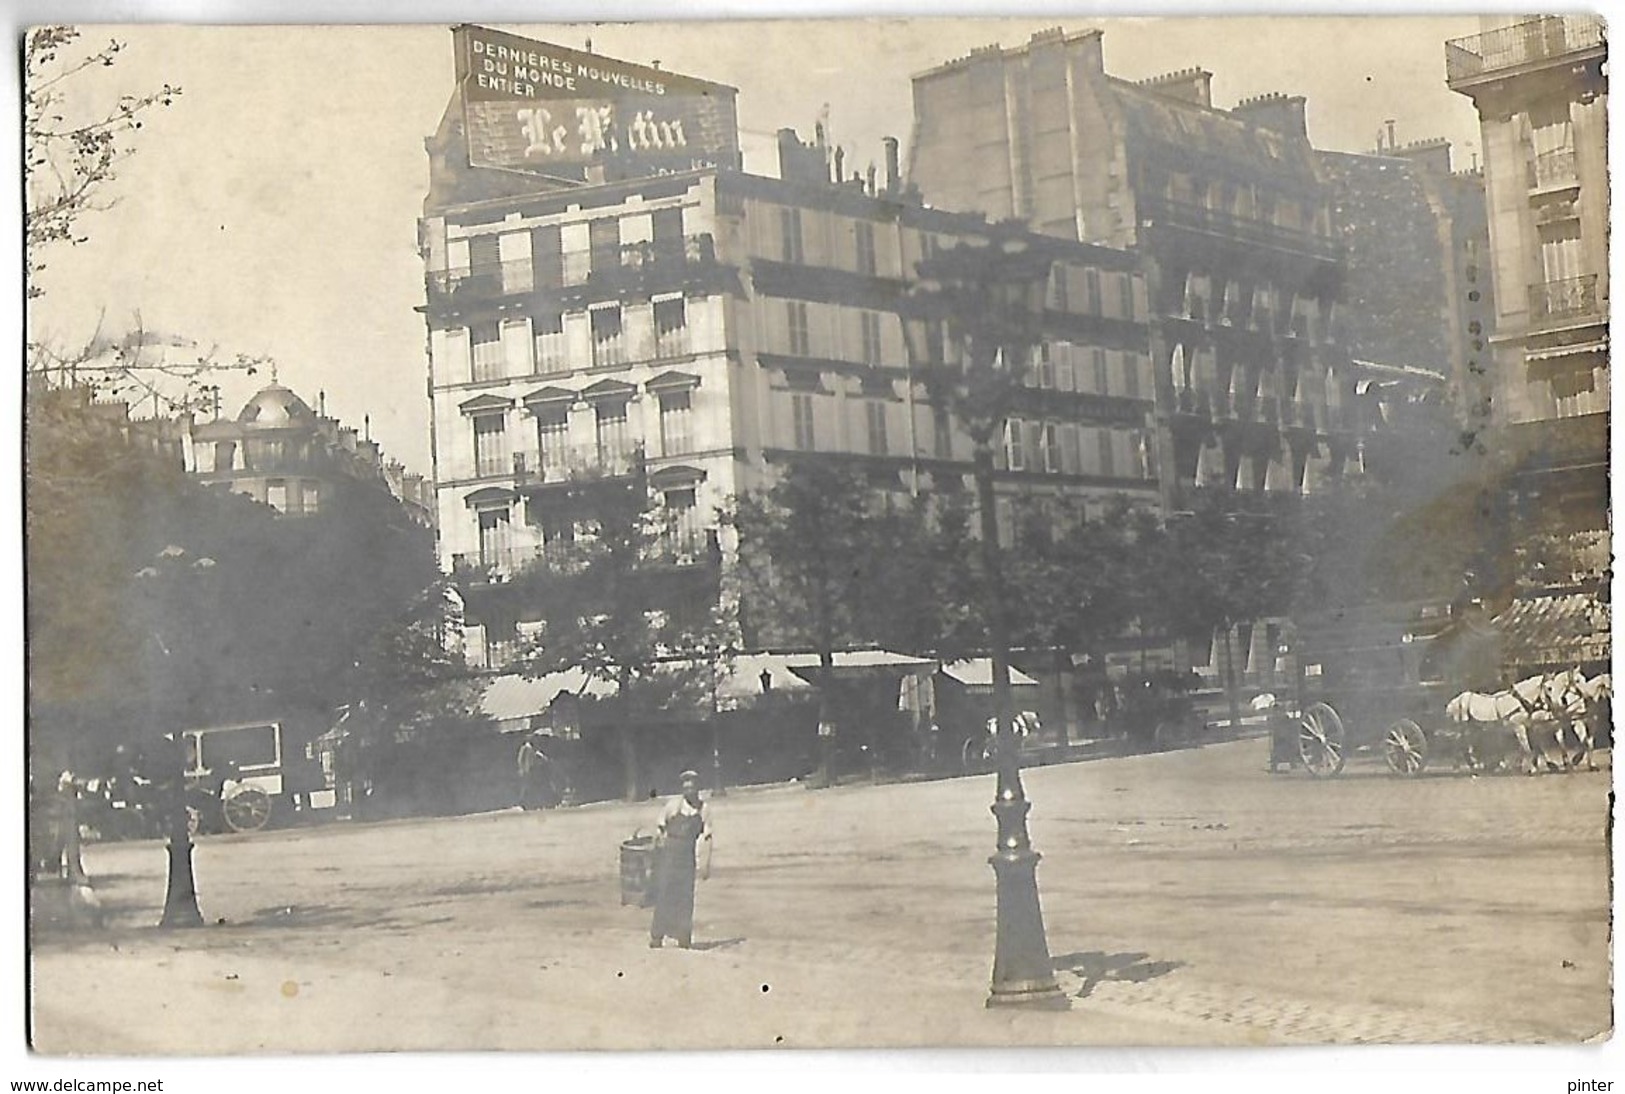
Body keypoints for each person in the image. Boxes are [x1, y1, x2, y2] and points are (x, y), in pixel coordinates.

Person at [648, 769, 711, 949]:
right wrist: (657, 851)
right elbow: (660, 828)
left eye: (692, 785)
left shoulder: (704, 809)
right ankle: (656, 937)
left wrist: (705, 863)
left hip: (687, 857)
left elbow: (707, 837)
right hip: (669, 855)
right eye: (685, 784)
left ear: (698, 787)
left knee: (686, 897)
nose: (688, 788)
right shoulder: (673, 806)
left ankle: (684, 938)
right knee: (664, 894)